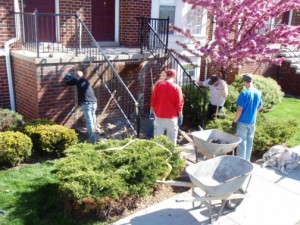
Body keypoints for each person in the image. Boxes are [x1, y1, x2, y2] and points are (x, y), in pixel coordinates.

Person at [232, 73, 263, 161]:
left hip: (242, 122)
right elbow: (260, 107)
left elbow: (239, 110)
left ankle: (241, 163)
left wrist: (234, 121)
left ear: (244, 81)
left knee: (242, 143)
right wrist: (252, 113)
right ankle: (247, 162)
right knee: (249, 142)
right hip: (252, 122)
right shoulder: (258, 92)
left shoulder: (244, 93)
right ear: (252, 81)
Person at [150, 69, 184, 145]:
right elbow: (179, 104)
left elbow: (153, 100)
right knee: (171, 141)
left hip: (159, 117)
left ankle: (158, 155)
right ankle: (171, 155)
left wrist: (151, 111)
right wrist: (180, 116)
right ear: (174, 77)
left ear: (167, 76)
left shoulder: (158, 85)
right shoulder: (176, 87)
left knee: (158, 140)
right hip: (172, 119)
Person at [65, 70, 98, 143]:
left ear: (76, 76)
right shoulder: (86, 81)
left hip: (87, 103)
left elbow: (68, 83)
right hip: (94, 102)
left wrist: (68, 77)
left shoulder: (77, 80)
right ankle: (94, 134)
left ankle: (92, 140)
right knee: (93, 119)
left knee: (89, 122)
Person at [146, 72, 167, 139]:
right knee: (153, 121)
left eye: (164, 75)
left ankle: (154, 135)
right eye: (162, 75)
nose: (163, 76)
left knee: (156, 121)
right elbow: (154, 96)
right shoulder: (159, 84)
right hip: (155, 106)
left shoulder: (163, 84)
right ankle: (150, 135)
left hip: (159, 106)